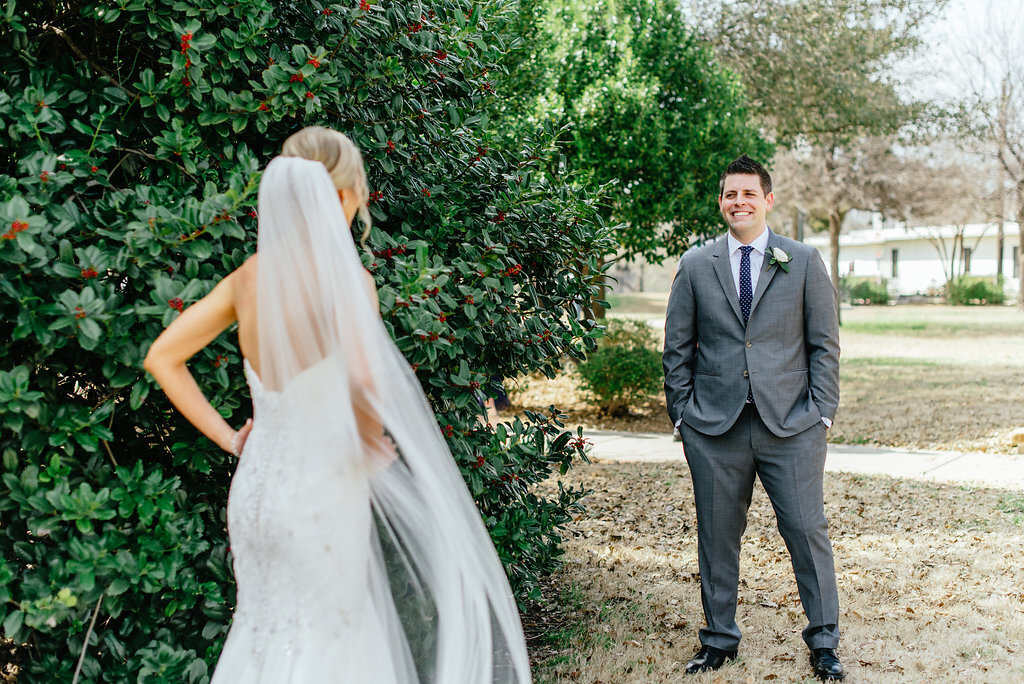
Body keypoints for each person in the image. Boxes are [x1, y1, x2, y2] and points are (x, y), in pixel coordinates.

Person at [144, 127, 531, 683]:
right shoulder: (349, 281)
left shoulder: (247, 279)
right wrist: (370, 440)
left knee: (262, 633)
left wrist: (232, 439)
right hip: (320, 493)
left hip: (256, 492)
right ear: (344, 195)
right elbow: (364, 381)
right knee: (331, 638)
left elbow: (162, 357)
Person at [662, 155, 844, 681]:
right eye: (728, 194)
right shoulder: (696, 264)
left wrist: (822, 415)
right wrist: (683, 417)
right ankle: (719, 639)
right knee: (717, 536)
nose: (737, 202)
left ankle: (824, 642)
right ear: (720, 202)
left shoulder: (803, 260)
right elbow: (678, 348)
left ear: (768, 199)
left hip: (792, 426)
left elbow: (824, 346)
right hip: (714, 429)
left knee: (807, 531)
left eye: (747, 193)